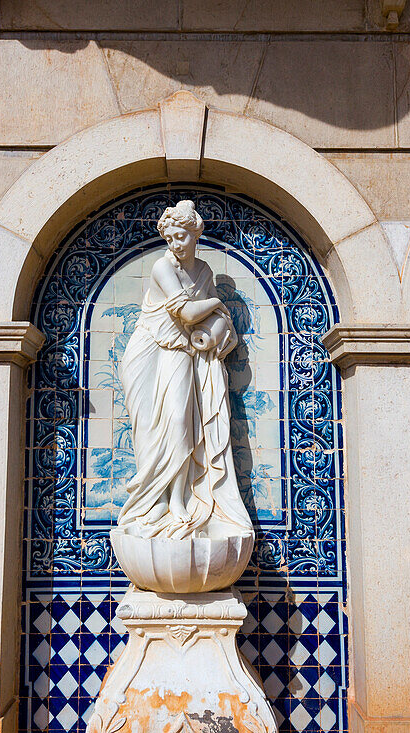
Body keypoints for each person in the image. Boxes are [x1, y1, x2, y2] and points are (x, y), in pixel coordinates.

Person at [117, 200, 253, 540]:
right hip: (148, 352)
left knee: (180, 421)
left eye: (182, 237)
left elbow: (203, 321)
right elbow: (190, 315)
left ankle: (178, 500)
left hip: (181, 350)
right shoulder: (163, 268)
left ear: (195, 235)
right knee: (150, 429)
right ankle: (154, 503)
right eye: (171, 238)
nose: (176, 244)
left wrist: (219, 322)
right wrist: (219, 304)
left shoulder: (203, 271)